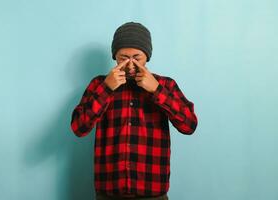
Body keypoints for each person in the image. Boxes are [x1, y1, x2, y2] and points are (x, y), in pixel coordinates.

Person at [70, 22, 198, 200]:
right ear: (115, 56)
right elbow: (78, 127)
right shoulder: (99, 84)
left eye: (137, 57)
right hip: (109, 193)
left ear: (147, 56)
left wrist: (156, 90)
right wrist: (107, 88)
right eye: (123, 58)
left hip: (152, 192)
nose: (130, 64)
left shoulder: (166, 85)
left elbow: (189, 125)